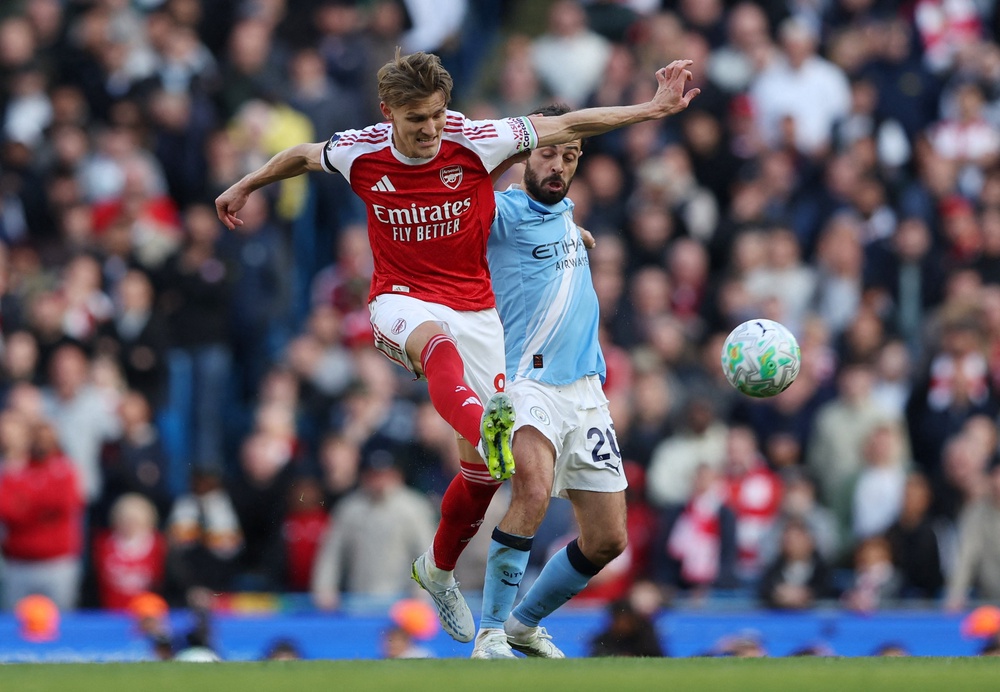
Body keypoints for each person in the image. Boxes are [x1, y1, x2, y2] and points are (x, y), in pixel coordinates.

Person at [215, 49, 699, 642]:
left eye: (438, 115)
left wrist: (650, 110)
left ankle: (438, 570)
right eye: (417, 118)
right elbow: (300, 155)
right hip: (399, 299)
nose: (430, 129)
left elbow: (569, 126)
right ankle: (483, 426)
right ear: (388, 111)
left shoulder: (478, 139)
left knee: (483, 476)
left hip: (476, 311)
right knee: (438, 351)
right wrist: (247, 184)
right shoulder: (360, 149)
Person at [469, 103, 645, 659]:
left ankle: (522, 623)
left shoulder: (565, 213)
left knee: (608, 539)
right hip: (528, 383)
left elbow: (557, 229)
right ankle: (490, 631)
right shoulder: (498, 213)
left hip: (586, 392)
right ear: (525, 152)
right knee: (534, 492)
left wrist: (580, 233)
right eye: (548, 152)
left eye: (569, 156)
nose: (558, 165)